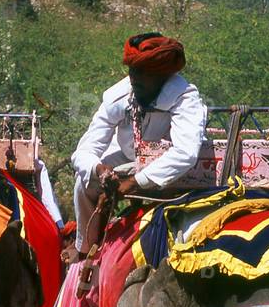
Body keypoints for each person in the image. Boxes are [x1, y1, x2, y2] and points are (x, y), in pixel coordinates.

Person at [70, 32, 207, 257]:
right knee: (84, 184)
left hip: (170, 168)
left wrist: (134, 183)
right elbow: (83, 151)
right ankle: (86, 250)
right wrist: (99, 170)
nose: (134, 79)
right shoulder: (118, 96)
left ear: (163, 76)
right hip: (128, 157)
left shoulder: (185, 97)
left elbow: (185, 153)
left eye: (143, 73)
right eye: (132, 71)